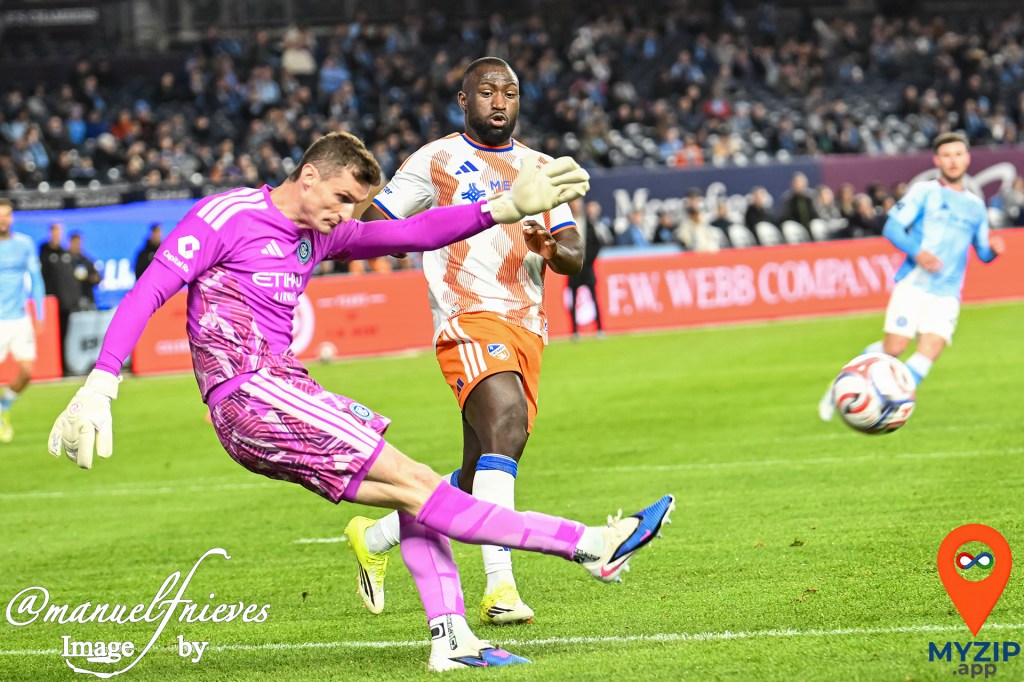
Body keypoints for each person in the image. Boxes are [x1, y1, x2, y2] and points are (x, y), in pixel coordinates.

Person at [48, 131, 674, 672]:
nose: (348, 214)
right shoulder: (227, 216)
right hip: (251, 391)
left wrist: (502, 206)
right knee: (418, 482)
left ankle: (452, 640)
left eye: (356, 203)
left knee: (415, 491)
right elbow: (151, 288)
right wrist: (103, 381)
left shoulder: (322, 234)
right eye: (343, 197)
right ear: (308, 175)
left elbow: (412, 231)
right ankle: (591, 545)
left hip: (283, 391)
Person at [350, 57, 588, 627]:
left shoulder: (540, 167)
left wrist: (549, 247)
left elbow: (575, 253)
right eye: (487, 92)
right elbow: (372, 224)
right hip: (467, 318)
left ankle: (377, 535)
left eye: (509, 91)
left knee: (475, 469)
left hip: (525, 325)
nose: (499, 102)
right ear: (464, 100)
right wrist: (416, 233)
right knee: (506, 425)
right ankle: (500, 587)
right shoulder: (435, 160)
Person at [819, 132, 1006, 421]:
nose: (953, 160)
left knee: (930, 350)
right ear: (937, 160)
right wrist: (918, 253)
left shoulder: (975, 205)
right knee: (895, 348)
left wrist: (992, 250)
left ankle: (893, 404)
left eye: (958, 154)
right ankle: (844, 383)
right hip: (915, 282)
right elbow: (892, 228)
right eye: (946, 155)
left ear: (967, 158)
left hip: (948, 292)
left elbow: (981, 252)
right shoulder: (924, 192)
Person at [0, 198, 45, 442]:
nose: (3, 220)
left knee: (27, 371)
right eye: (0, 215)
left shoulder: (24, 244)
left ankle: (4, 404)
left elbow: (36, 280)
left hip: (19, 318)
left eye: (6, 215)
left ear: (12, 217)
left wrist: (39, 313)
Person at [568, 198, 611, 339]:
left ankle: (599, 329)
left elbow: (597, 243)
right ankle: (574, 331)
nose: (576, 206)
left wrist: (589, 261)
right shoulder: (566, 223)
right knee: (573, 299)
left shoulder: (588, 223)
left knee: (594, 297)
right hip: (573, 267)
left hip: (587, 267)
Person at [68, 232, 101, 310]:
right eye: (75, 243)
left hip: (86, 298)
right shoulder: (65, 260)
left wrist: (93, 278)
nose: (77, 246)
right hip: (71, 301)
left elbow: (97, 278)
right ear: (70, 243)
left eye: (79, 243)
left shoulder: (86, 261)